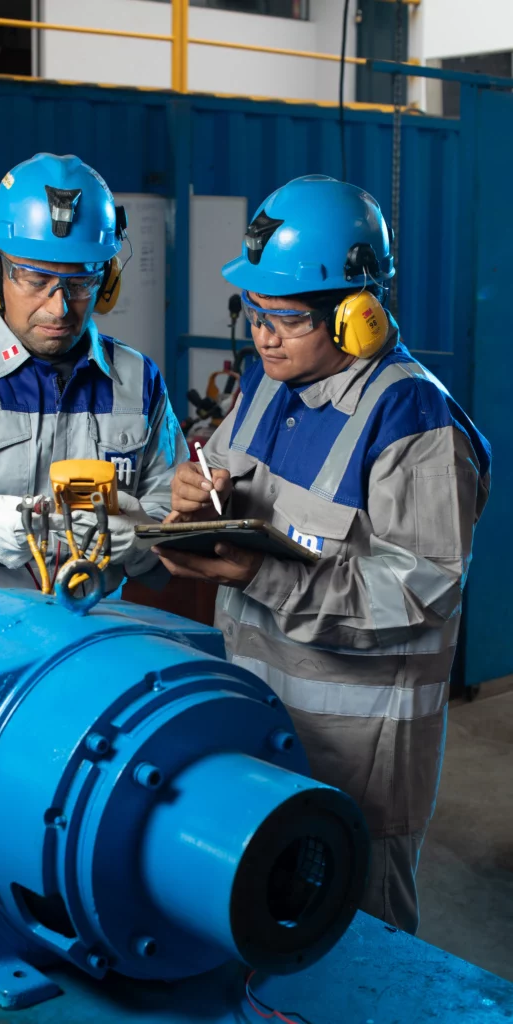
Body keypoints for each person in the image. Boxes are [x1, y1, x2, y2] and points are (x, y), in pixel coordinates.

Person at [155, 175, 491, 935]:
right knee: (263, 913)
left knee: (357, 931)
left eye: (286, 319)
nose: (262, 336)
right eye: (254, 313)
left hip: (360, 742)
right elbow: (231, 499)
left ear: (358, 315)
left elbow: (419, 591)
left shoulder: (416, 424)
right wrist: (193, 499)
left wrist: (257, 572)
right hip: (259, 713)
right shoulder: (267, 385)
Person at [0, 153, 187, 590]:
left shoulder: (139, 382)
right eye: (34, 279)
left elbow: (171, 517)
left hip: (93, 634)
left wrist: (143, 537)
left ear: (107, 281)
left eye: (80, 283)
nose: (59, 307)